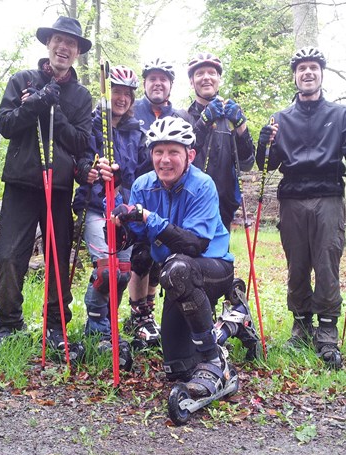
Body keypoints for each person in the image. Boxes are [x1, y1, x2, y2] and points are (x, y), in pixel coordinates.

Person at [257, 47, 346, 369]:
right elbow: (266, 165)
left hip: (328, 196)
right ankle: (301, 324)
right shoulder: (280, 119)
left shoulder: (340, 115)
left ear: (321, 74)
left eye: (313, 68)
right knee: (297, 265)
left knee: (327, 262)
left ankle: (327, 332)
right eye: (302, 69)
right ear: (295, 76)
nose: (308, 73)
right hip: (292, 198)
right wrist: (263, 142)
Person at [100, 117, 237, 396]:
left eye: (173, 152)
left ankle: (214, 358)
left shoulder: (202, 185)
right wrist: (115, 209)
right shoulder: (142, 185)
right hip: (175, 276)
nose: (165, 160)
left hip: (213, 268)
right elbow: (134, 239)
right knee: (178, 368)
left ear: (190, 155)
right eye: (158, 152)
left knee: (177, 269)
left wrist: (149, 217)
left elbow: (194, 244)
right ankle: (232, 324)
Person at [0, 17, 92, 359]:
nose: (64, 47)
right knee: (9, 256)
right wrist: (34, 103)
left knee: (57, 258)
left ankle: (56, 324)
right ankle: (8, 323)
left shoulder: (81, 96)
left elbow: (81, 141)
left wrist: (55, 108)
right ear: (48, 43)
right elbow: (5, 125)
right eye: (58, 40)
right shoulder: (22, 80)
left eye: (71, 43)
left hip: (60, 187)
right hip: (21, 183)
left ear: (77, 52)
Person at [71, 65, 148, 364]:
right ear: (108, 93)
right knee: (106, 269)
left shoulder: (136, 132)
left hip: (123, 209)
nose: (121, 98)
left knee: (122, 272)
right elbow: (81, 162)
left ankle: (104, 326)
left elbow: (142, 173)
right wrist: (91, 168)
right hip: (95, 204)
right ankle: (99, 329)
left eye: (127, 94)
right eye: (116, 92)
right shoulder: (93, 125)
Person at [124, 58, 187, 349]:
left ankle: (148, 310)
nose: (158, 83)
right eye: (152, 79)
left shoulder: (180, 115)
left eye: (163, 79)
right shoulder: (131, 111)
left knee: (161, 253)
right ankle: (138, 314)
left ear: (170, 85)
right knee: (140, 256)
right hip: (139, 190)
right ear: (145, 83)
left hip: (170, 194)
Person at [181, 52, 255, 231]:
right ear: (192, 82)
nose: (206, 77)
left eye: (211, 73)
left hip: (223, 206)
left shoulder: (230, 117)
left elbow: (247, 164)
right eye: (199, 74)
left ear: (219, 79)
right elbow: (183, 158)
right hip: (189, 203)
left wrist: (241, 127)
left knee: (220, 258)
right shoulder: (183, 117)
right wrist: (203, 122)